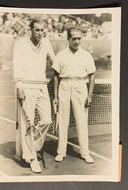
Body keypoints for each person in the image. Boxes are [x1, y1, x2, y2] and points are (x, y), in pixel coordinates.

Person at [13, 18, 55, 173]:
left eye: (42, 30)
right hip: (26, 86)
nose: (40, 33)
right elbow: (16, 65)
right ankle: (31, 158)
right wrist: (19, 87)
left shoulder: (47, 43)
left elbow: (54, 61)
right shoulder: (20, 44)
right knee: (27, 125)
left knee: (47, 120)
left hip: (42, 87)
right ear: (30, 30)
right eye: (37, 30)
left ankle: (34, 146)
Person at [52, 27, 96, 164]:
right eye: (74, 39)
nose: (77, 41)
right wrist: (55, 96)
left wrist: (89, 96)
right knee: (63, 120)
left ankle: (85, 153)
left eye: (79, 38)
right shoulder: (61, 55)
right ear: (68, 39)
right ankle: (61, 152)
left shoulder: (86, 55)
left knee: (82, 121)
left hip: (80, 86)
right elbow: (55, 76)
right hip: (64, 85)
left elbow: (92, 76)